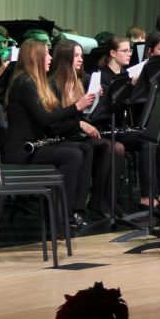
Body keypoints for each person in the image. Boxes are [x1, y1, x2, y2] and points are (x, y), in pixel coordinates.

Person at [3, 39, 97, 229]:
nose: (50, 58)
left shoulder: (32, 81)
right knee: (73, 155)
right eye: (46, 53)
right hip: (21, 151)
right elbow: (46, 119)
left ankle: (75, 210)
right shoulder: (25, 83)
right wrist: (77, 107)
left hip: (34, 145)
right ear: (36, 57)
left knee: (85, 148)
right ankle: (59, 214)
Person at [49, 39, 116, 217]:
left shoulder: (81, 80)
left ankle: (96, 202)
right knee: (91, 147)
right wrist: (80, 119)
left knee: (108, 146)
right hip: (62, 134)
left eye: (81, 55)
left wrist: (95, 99)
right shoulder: (54, 84)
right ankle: (77, 206)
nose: (80, 59)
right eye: (75, 56)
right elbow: (56, 121)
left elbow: (85, 114)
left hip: (75, 131)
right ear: (64, 59)